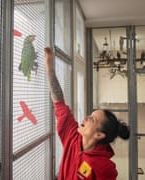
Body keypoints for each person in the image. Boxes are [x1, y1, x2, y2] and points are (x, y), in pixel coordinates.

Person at [44, 47, 130, 180]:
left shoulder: (105, 168)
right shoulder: (72, 137)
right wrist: (49, 68)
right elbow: (59, 102)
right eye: (90, 115)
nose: (85, 118)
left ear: (99, 134)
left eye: (93, 119)